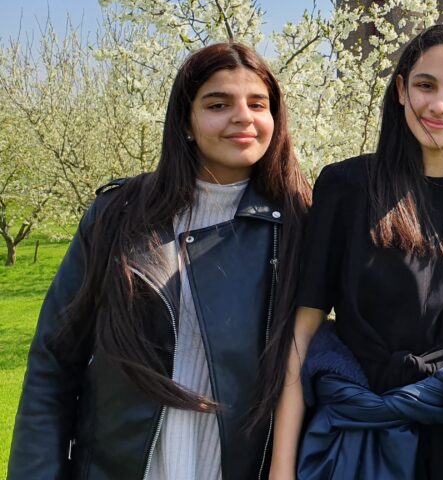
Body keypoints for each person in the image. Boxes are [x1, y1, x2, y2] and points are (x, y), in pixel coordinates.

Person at [8, 42, 311, 480]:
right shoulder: (119, 215)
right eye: (218, 103)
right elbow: (54, 360)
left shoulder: (299, 225)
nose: (242, 116)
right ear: (186, 122)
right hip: (121, 465)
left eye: (257, 104)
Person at [270, 23, 443, 480]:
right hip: (354, 441)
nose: (438, 105)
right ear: (400, 90)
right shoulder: (346, 188)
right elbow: (304, 333)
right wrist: (282, 466)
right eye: (424, 85)